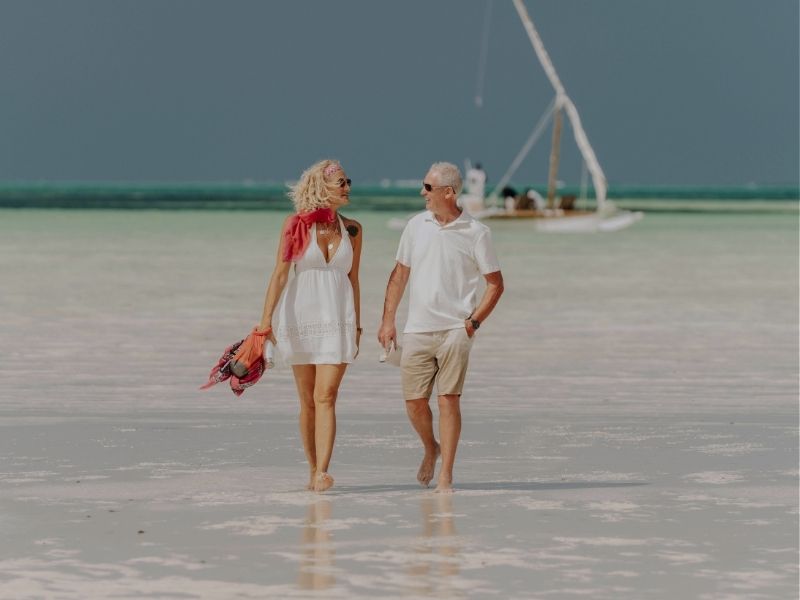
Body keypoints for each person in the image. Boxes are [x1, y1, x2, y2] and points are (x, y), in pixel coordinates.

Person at [378, 162, 504, 492]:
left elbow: (495, 284)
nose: (423, 193)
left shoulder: (477, 233)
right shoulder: (415, 226)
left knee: (448, 399)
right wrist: (388, 320)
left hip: (455, 331)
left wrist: (473, 323)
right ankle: (430, 447)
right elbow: (399, 275)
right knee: (414, 401)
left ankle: (446, 474)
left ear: (448, 193)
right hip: (417, 328)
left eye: (428, 188)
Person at [257, 159, 362, 493]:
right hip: (300, 318)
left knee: (326, 394)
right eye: (341, 182)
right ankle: (313, 469)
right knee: (307, 400)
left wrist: (357, 325)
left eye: (348, 182)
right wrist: (264, 324)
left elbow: (354, 279)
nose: (347, 188)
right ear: (322, 186)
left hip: (338, 319)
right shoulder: (296, 226)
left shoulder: (354, 229)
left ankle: (323, 472)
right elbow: (279, 274)